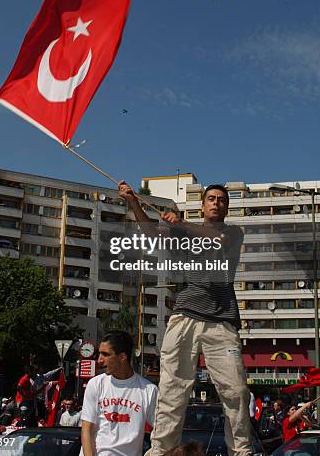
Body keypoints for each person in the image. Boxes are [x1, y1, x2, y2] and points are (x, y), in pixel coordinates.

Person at [118, 181, 252, 456]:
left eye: (222, 200)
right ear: (203, 206)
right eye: (211, 199)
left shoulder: (233, 232)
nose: (216, 203)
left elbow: (216, 240)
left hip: (222, 321)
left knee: (236, 392)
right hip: (185, 316)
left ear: (226, 208)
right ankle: (160, 451)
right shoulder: (187, 234)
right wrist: (134, 202)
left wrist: (180, 223)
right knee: (172, 391)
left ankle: (241, 451)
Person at [80, 331, 158, 456]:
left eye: (105, 354)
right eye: (99, 353)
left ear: (122, 357)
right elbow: (86, 429)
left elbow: (160, 431)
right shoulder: (95, 384)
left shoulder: (149, 390)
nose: (99, 360)